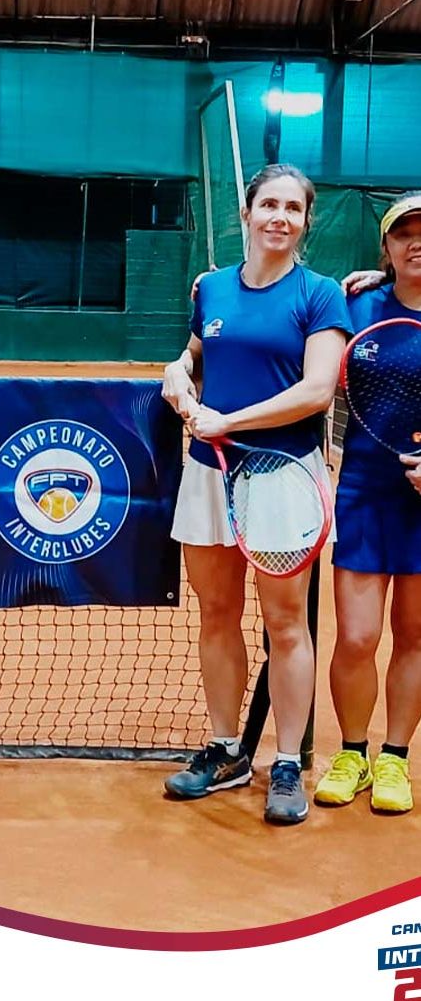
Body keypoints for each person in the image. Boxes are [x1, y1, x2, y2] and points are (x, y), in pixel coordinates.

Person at [162, 163, 352, 825]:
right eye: (268, 204)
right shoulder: (212, 287)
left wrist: (229, 421)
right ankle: (225, 750)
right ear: (245, 213)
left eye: (293, 208)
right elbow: (196, 353)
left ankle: (287, 762)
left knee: (285, 624)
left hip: (283, 476)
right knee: (216, 613)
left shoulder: (319, 294)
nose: (279, 217)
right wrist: (177, 370)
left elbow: (316, 390)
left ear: (305, 221)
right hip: (207, 473)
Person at [315, 193, 421, 814]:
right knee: (356, 637)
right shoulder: (356, 305)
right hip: (363, 491)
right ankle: (352, 753)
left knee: (415, 635)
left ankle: (394, 759)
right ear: (386, 247)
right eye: (404, 233)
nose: (417, 242)